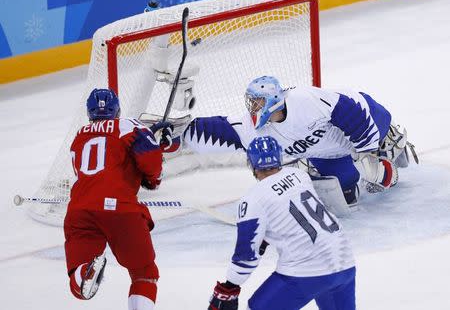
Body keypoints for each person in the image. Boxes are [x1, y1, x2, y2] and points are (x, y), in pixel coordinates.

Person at [183, 76, 417, 205]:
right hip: (327, 152)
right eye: (251, 102)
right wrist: (180, 133)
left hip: (366, 117)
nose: (253, 107)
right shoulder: (252, 127)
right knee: (346, 198)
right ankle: (323, 164)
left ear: (273, 100)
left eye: (257, 102)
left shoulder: (304, 100)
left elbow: (349, 108)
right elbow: (217, 130)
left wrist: (367, 151)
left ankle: (388, 139)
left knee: (377, 173)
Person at [208, 136, 356, 310]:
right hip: (345, 260)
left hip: (306, 270)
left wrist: (230, 285)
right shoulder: (300, 176)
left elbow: (246, 255)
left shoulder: (253, 199)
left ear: (252, 164)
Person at [64, 88, 173, 310]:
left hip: (79, 210)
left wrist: (146, 137)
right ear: (118, 110)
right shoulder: (128, 126)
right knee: (144, 274)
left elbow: (106, 155)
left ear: (89, 113)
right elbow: (150, 161)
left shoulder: (80, 135)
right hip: (119, 210)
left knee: (78, 276)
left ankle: (85, 272)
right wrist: (152, 178)